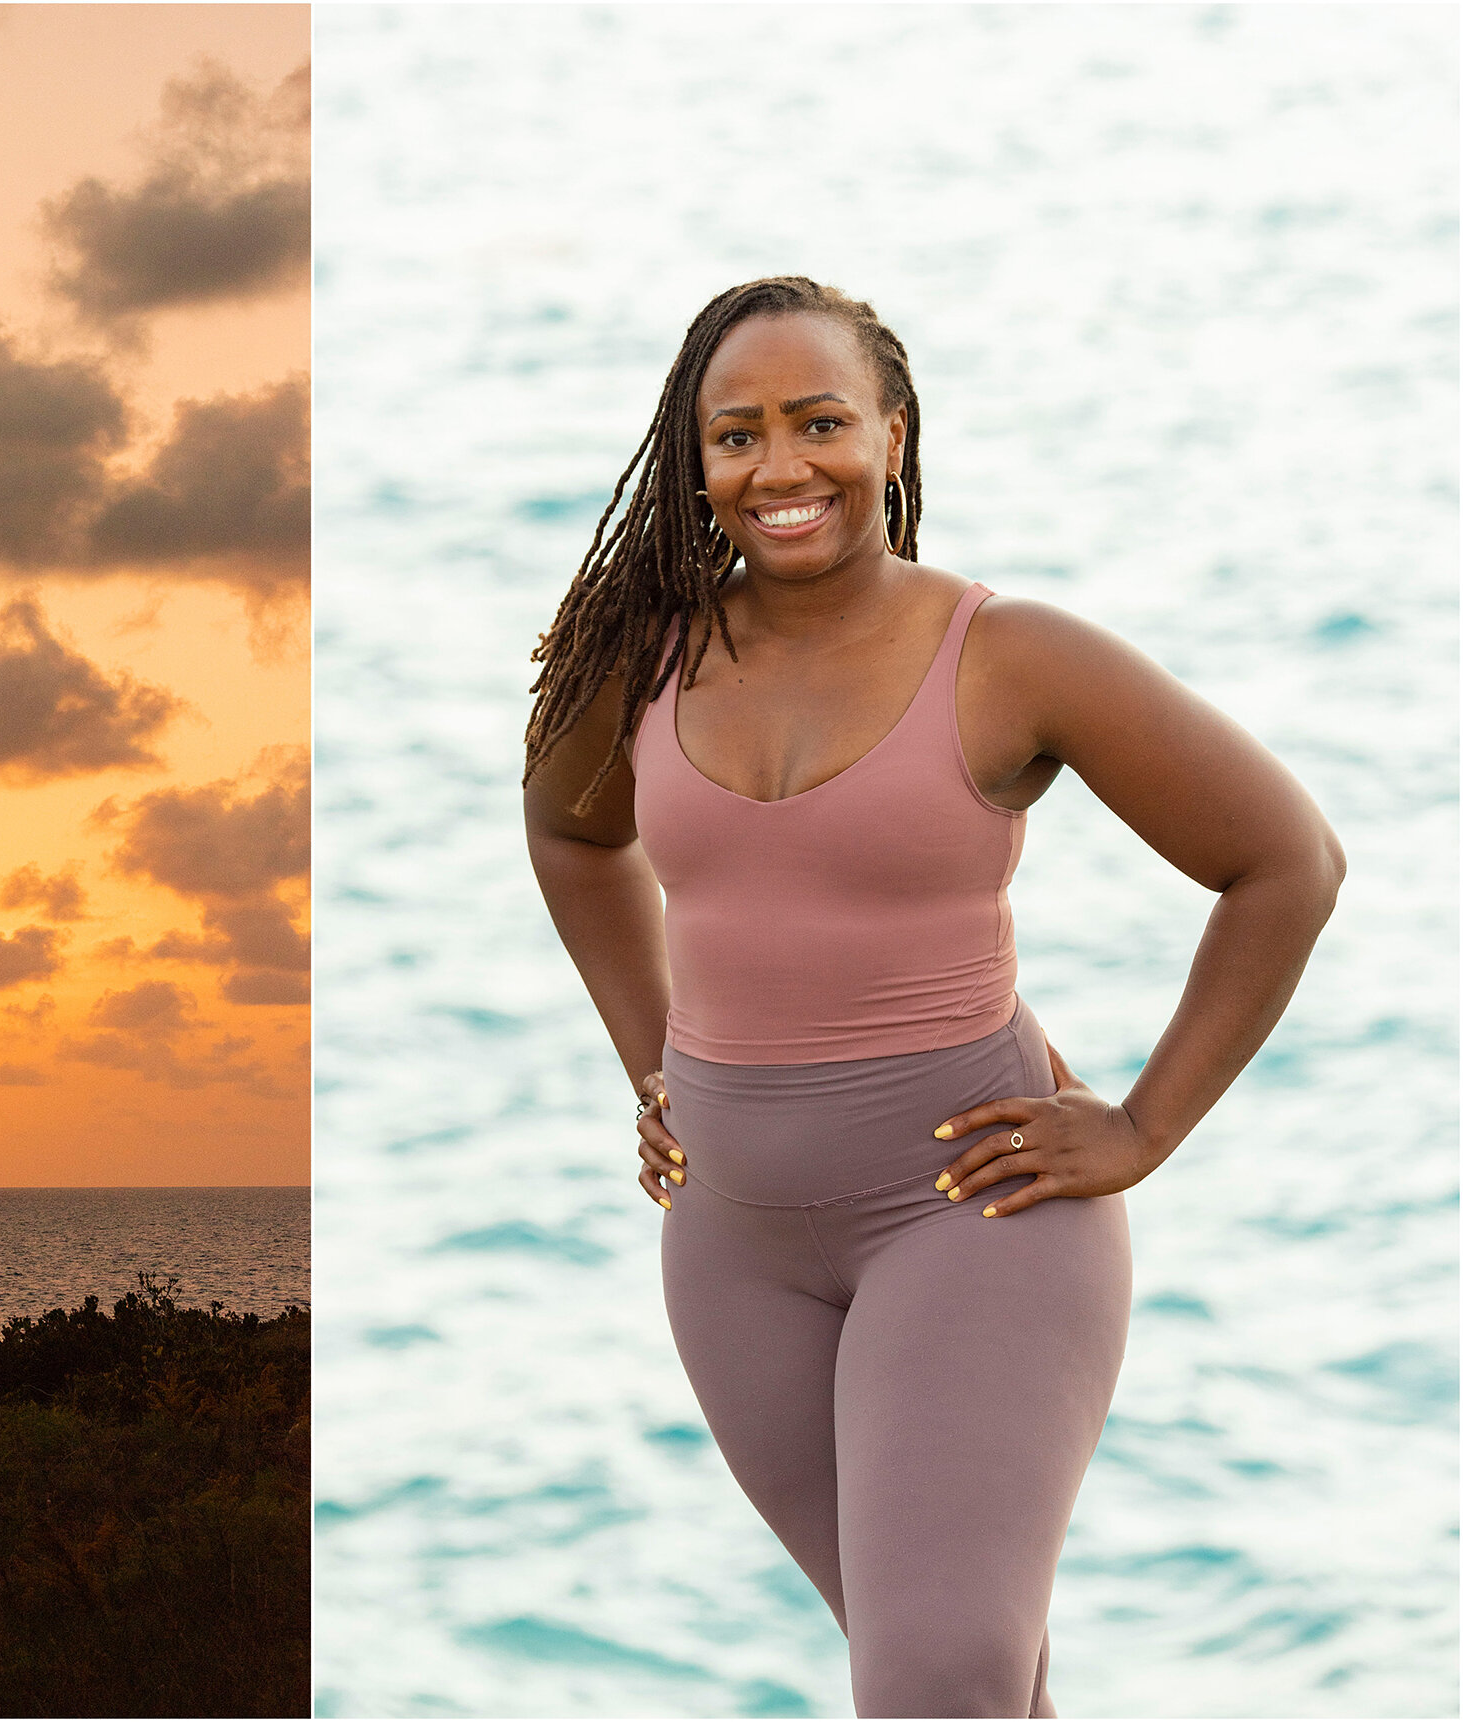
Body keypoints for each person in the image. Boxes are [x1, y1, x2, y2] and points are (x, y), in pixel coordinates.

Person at [519, 275, 1344, 1719]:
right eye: (738, 435)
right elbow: (572, 834)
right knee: (963, 1678)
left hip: (975, 1216)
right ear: (695, 459)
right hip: (735, 1251)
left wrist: (1145, 1125)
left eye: (820, 421)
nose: (780, 467)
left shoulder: (1008, 653)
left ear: (893, 438)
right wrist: (656, 1068)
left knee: (938, 1677)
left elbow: (1286, 860)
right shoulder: (639, 653)